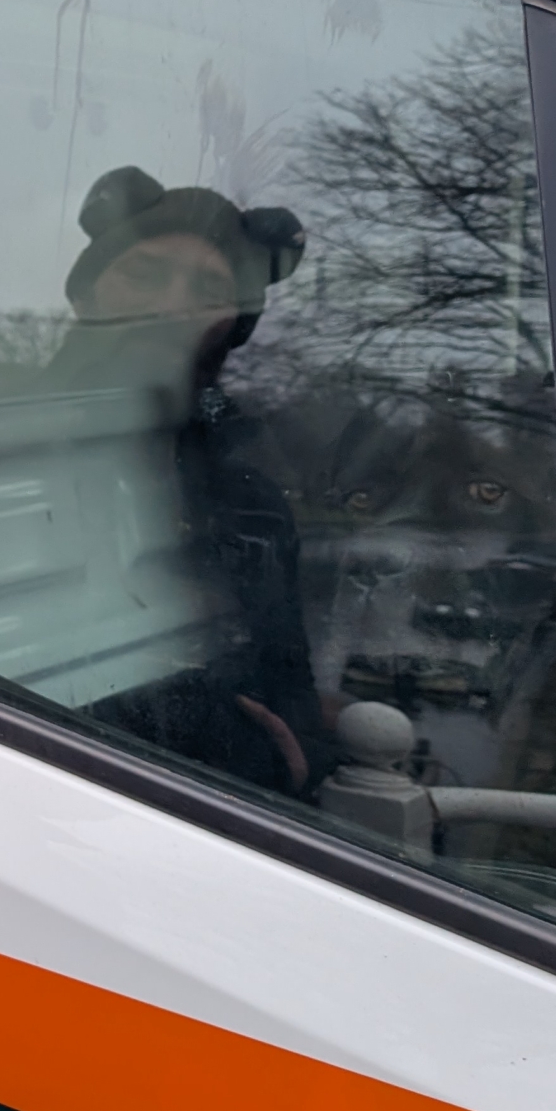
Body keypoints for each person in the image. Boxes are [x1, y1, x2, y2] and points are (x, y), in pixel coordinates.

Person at [62, 166, 327, 796]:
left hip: (223, 825)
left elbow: (289, 675)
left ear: (233, 325)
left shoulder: (253, 505)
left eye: (209, 290)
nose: (173, 304)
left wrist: (297, 754)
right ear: (89, 291)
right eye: (146, 274)